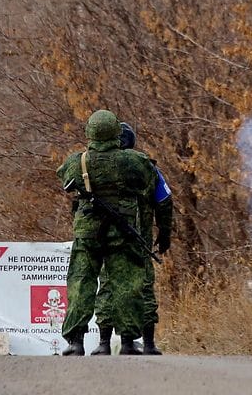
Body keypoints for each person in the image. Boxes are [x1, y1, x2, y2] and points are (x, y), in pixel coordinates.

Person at [57, 110, 157, 356]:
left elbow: (64, 178)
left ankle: (75, 342)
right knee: (126, 285)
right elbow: (147, 180)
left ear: (90, 133)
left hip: (87, 233)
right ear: (116, 132)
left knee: (81, 283)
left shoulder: (77, 161)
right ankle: (127, 342)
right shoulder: (133, 160)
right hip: (121, 233)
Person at [91, 122, 173, 356]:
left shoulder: (100, 165)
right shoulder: (146, 166)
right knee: (142, 286)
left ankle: (104, 343)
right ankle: (144, 344)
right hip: (139, 240)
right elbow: (165, 201)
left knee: (107, 284)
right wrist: (164, 233)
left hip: (107, 238)